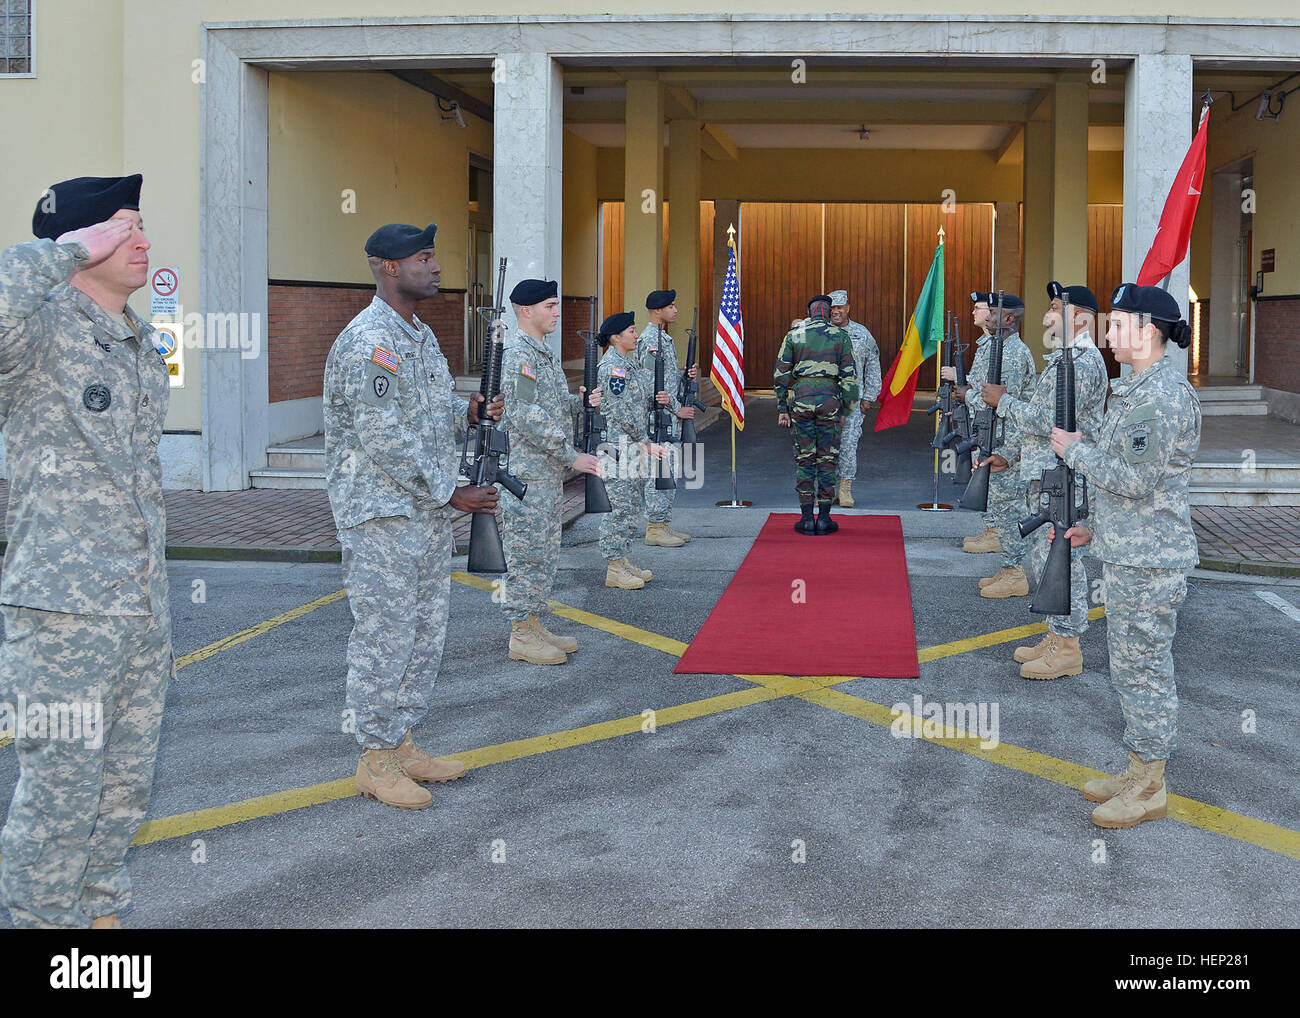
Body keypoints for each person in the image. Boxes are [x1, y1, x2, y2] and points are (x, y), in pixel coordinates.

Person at [0, 175, 171, 928]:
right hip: (63, 611)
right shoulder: (36, 329)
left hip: (138, 607)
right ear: (80, 242)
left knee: (123, 789)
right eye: (122, 229)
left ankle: (100, 923)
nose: (141, 241)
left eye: (140, 226)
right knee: (57, 800)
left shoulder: (141, 339)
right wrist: (61, 251)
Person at [324, 222, 500, 811]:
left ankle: (401, 742)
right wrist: (450, 491)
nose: (436, 266)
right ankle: (374, 758)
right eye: (424, 257)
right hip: (380, 513)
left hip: (418, 512)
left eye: (434, 254)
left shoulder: (419, 335)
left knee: (424, 631)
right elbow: (383, 435)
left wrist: (467, 408)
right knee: (384, 633)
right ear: (388, 267)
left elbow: (423, 411)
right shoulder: (367, 340)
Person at [1050, 283, 1201, 829]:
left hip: (1150, 560)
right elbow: (1127, 486)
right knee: (1130, 666)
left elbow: (1134, 479)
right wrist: (1094, 525)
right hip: (1130, 550)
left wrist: (1076, 450)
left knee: (1144, 670)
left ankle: (1150, 786)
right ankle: (1138, 767)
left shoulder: (1161, 396)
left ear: (1150, 331)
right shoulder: (1135, 388)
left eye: (1117, 325)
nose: (1108, 334)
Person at [981, 282, 1109, 679]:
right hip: (1045, 475)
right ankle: (1056, 633)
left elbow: (1047, 420)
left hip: (1068, 479)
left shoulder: (1084, 363)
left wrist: (1004, 402)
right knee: (1042, 558)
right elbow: (1039, 423)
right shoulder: (1063, 358)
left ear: (1082, 319)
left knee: (1062, 560)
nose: (1047, 315)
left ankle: (1068, 646)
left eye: (1056, 308)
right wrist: (1009, 454)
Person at [497, 278, 602, 665]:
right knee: (525, 554)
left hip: (544, 476)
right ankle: (521, 633)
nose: (557, 312)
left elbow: (553, 406)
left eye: (557, 305)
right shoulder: (518, 356)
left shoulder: (542, 354)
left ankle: (534, 622)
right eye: (550, 306)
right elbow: (526, 416)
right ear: (527, 311)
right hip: (525, 478)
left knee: (543, 553)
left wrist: (581, 403)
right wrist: (570, 454)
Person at [947, 292, 1036, 597]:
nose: (988, 318)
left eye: (995, 314)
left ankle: (1016, 572)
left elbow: (997, 401)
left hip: (1007, 441)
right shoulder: (1000, 347)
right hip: (997, 436)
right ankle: (1010, 567)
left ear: (1010, 319)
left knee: (1009, 509)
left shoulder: (1011, 354)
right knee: (1000, 506)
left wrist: (966, 395)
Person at [597, 312, 670, 589]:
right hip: (619, 447)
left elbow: (638, 403)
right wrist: (645, 440)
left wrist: (657, 400)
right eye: (630, 331)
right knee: (619, 508)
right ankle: (614, 567)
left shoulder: (629, 365)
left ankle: (622, 560)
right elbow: (622, 412)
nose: (636, 335)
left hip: (633, 447)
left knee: (631, 506)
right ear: (616, 337)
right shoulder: (613, 367)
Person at [774, 295, 858, 535]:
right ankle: (824, 519)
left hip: (801, 400)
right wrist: (846, 410)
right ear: (828, 312)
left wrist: (782, 408)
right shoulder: (840, 335)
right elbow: (850, 378)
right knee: (827, 459)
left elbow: (780, 376)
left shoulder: (795, 335)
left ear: (809, 312)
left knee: (805, 458)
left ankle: (806, 519)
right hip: (830, 400)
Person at [637, 289, 698, 547]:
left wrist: (686, 374)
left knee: (669, 470)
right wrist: (676, 409)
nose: (675, 310)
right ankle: (654, 527)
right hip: (658, 418)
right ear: (657, 310)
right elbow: (653, 385)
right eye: (671, 306)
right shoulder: (651, 342)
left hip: (667, 417)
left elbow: (668, 379)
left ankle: (663, 523)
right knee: (658, 472)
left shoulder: (664, 339)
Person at [827, 289, 882, 507]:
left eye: (840, 307)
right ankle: (827, 488)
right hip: (824, 400)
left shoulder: (862, 334)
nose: (836, 312)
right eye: (832, 308)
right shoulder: (820, 331)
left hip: (852, 402)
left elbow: (873, 366)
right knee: (826, 444)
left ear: (848, 308)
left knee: (848, 445)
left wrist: (869, 395)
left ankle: (845, 488)